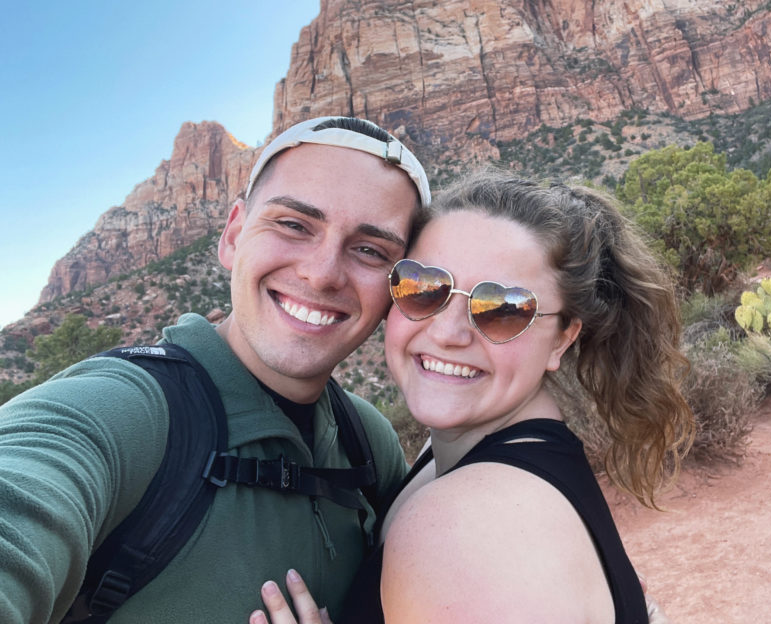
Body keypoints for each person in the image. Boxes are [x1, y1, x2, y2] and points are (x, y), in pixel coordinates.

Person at [0, 116, 432, 623]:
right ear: (232, 236)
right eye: (293, 225)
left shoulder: (369, 443)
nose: (322, 273)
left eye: (370, 250)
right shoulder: (122, 411)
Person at [252, 168, 695, 624]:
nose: (447, 333)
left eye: (502, 309)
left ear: (562, 339)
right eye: (423, 287)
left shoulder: (461, 528)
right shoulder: (449, 457)